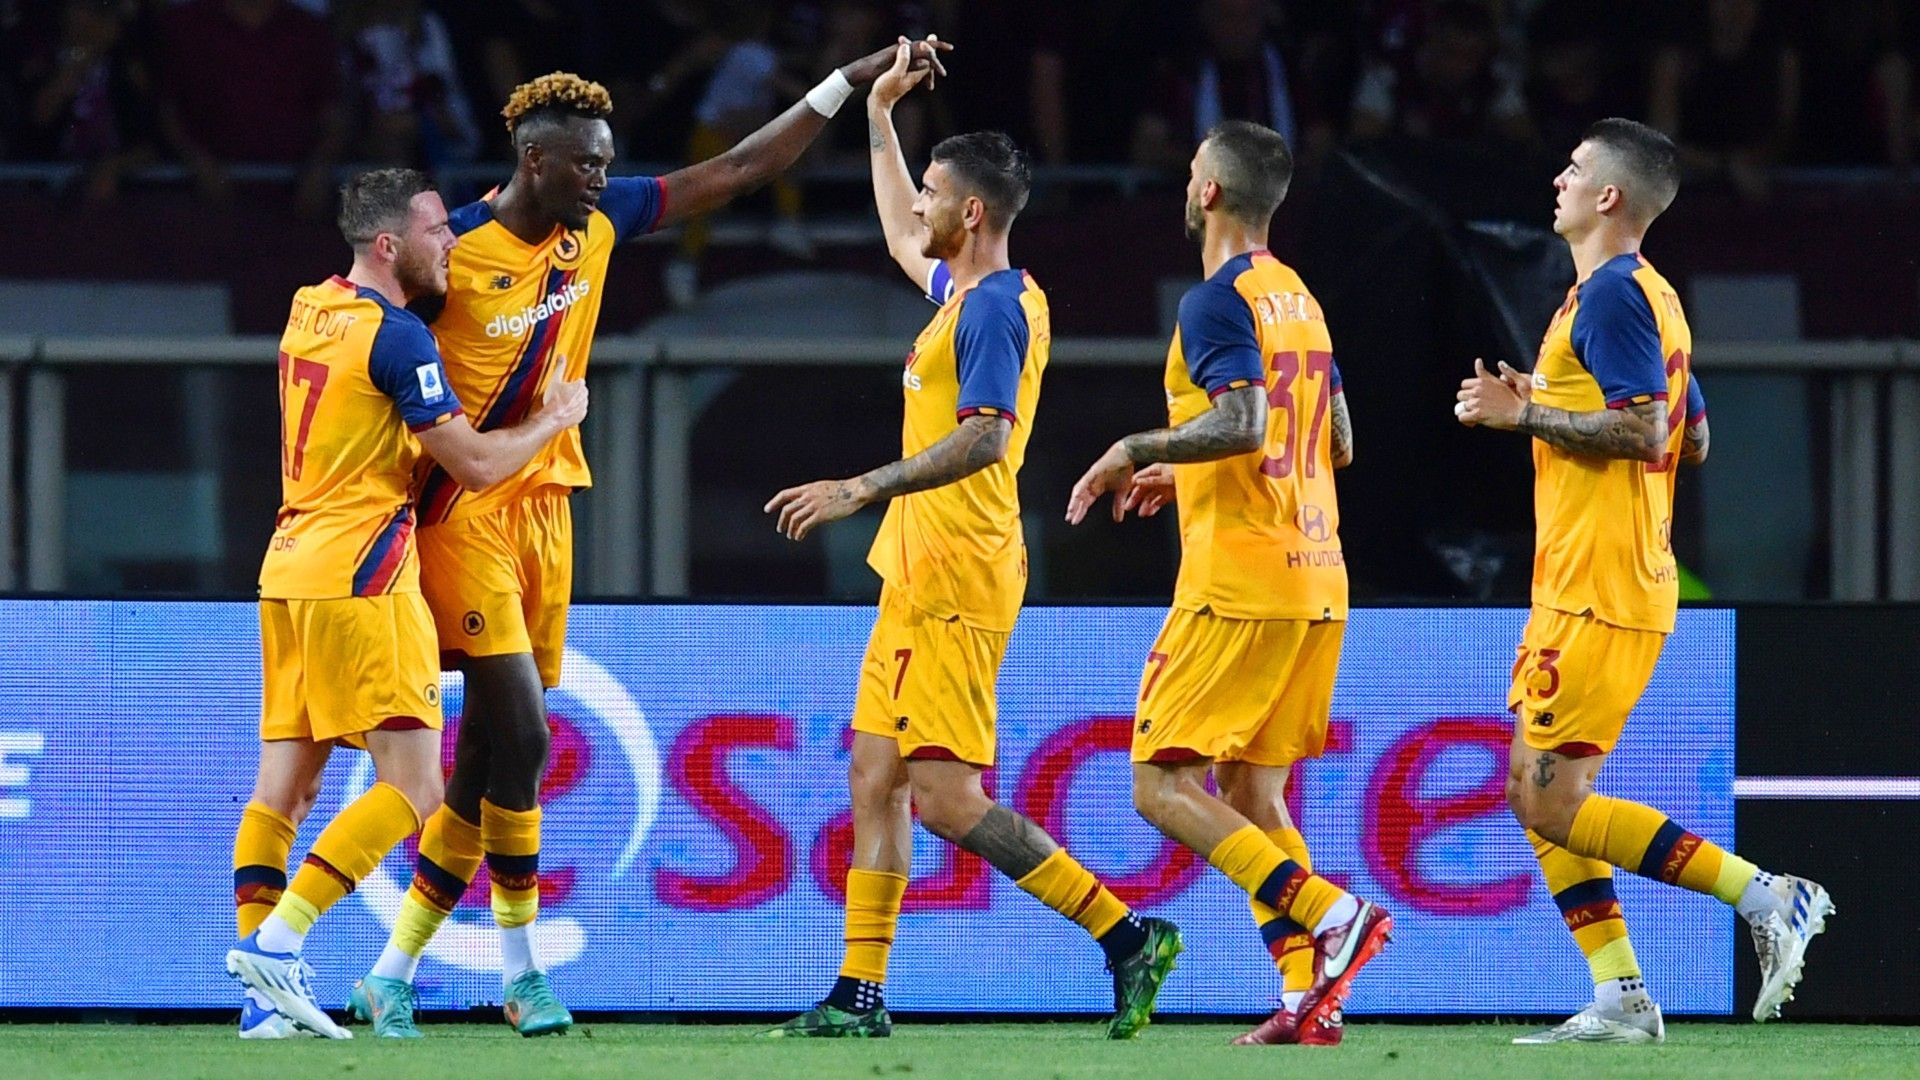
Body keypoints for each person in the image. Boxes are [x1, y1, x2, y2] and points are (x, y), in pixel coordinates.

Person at [345, 38, 950, 1039]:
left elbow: (741, 168)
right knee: (527, 735)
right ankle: (522, 973)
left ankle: (390, 971)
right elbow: (362, 329)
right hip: (463, 515)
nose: (601, 177)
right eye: (585, 162)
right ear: (534, 161)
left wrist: (845, 81)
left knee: (489, 753)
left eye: (606, 162)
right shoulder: (450, 254)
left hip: (548, 511)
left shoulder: (598, 223)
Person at [759, 41, 1180, 1041]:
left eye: (935, 195)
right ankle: (859, 993)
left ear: (974, 212)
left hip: (956, 572)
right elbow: (899, 234)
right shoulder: (967, 294)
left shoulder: (992, 311)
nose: (921, 207)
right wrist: (877, 117)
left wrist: (862, 485)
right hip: (918, 570)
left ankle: (1127, 935)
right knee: (874, 777)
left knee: (945, 799)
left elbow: (987, 438)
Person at [1453, 118, 1832, 1043]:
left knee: (1549, 799)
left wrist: (1524, 414)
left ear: (1609, 196)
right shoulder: (1645, 294)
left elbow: (1647, 432)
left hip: (1604, 584)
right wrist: (1551, 399)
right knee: (1535, 793)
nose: (1559, 179)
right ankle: (1620, 994)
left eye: (1575, 168)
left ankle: (1768, 894)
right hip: (1584, 581)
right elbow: (1692, 436)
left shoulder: (1615, 296)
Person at [227, 167, 587, 1039]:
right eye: (436, 231)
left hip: (287, 568)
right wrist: (554, 419)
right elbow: (477, 465)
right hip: (364, 574)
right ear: (389, 246)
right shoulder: (400, 340)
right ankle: (278, 944)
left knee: (283, 792)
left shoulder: (310, 306)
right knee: (417, 786)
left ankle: (264, 1006)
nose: (452, 242)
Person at [1067, 119, 1386, 1047]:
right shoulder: (1300, 298)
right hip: (1318, 577)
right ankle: (1306, 999)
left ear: (1208, 190)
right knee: (1251, 794)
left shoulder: (1215, 299)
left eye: (1191, 173)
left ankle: (1331, 913)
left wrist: (1137, 449)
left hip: (1241, 582)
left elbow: (1245, 422)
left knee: (1158, 784)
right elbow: (1336, 441)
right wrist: (1191, 472)